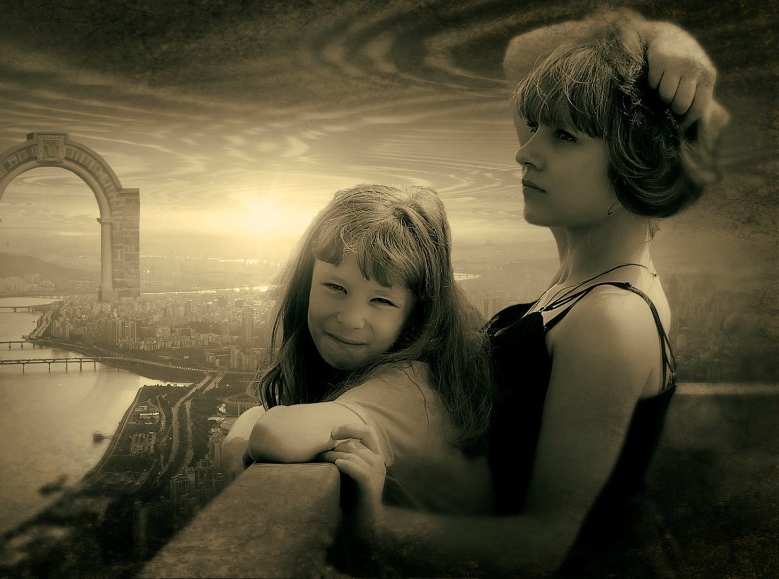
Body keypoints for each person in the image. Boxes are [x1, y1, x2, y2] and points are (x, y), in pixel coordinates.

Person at [321, 9, 729, 577]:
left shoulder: (608, 319)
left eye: (563, 136)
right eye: (538, 126)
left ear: (632, 158)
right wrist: (663, 39)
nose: (526, 150)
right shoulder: (589, 273)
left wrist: (374, 526)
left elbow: (544, 548)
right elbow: (523, 55)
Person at [221, 183, 494, 516]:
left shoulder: (409, 387)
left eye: (381, 300)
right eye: (335, 287)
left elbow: (275, 435)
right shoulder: (430, 372)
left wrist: (235, 445)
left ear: (417, 315)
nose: (351, 319)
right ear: (307, 283)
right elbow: (259, 415)